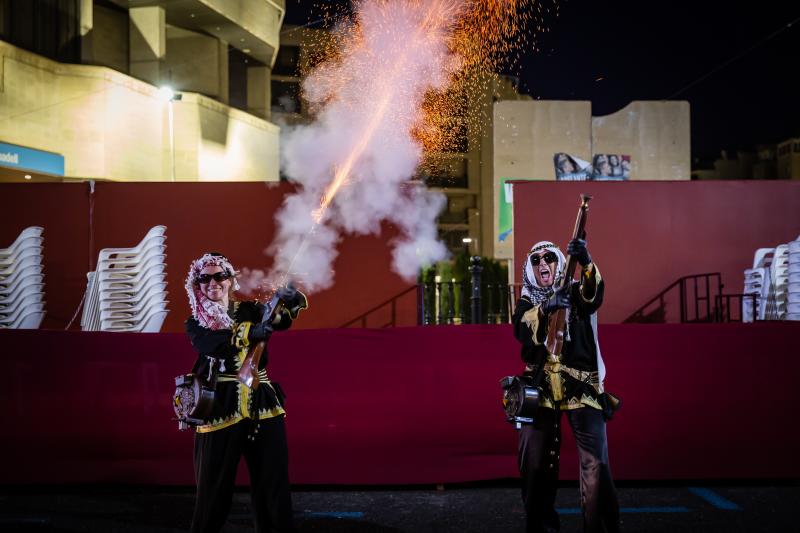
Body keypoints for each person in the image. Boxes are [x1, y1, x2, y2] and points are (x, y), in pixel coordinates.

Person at [184, 252, 304, 533]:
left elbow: (279, 321)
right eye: (205, 278)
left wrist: (287, 299)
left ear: (231, 280)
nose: (213, 283)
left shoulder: (251, 310)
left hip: (262, 404)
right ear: (197, 285)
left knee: (272, 485)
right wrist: (251, 333)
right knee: (213, 493)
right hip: (219, 408)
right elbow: (213, 345)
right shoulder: (196, 323)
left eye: (220, 276)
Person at [511, 239, 619, 533]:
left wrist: (586, 262)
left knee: (596, 463)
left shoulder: (574, 290)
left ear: (559, 261)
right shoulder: (527, 301)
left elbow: (593, 296)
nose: (543, 264)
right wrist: (546, 306)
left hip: (580, 387)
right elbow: (520, 328)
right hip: (539, 388)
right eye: (536, 260)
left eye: (548, 257)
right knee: (534, 466)